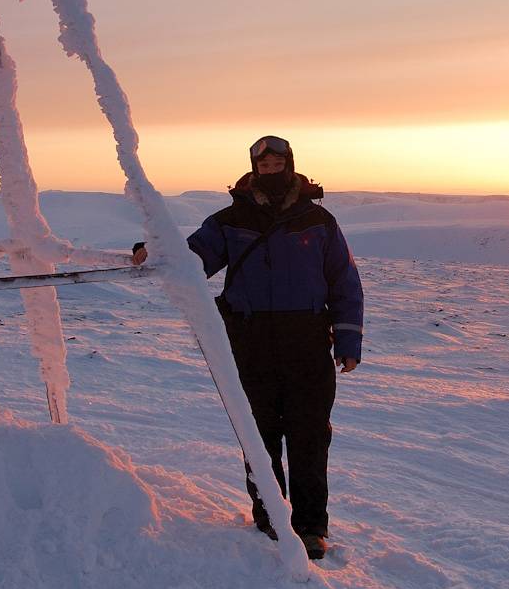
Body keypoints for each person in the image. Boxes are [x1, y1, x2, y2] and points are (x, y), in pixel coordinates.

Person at [132, 135, 364, 560]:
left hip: (308, 341)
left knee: (309, 435)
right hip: (250, 340)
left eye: (278, 162)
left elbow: (344, 283)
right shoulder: (228, 220)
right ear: (255, 167)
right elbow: (192, 258)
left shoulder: (319, 221)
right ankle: (272, 518)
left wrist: (348, 339)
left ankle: (311, 526)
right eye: (265, 163)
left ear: (290, 164)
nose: (271, 168)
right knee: (259, 433)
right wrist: (155, 251)